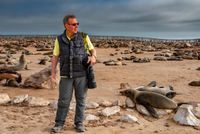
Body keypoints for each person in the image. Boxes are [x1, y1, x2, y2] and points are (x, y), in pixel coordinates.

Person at [51, 14, 97, 133]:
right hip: (66, 75)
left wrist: (93, 57)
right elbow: (55, 57)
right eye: (73, 24)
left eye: (77, 24)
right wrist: (53, 74)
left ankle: (79, 123)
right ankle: (59, 124)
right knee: (63, 101)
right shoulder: (59, 39)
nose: (76, 26)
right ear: (66, 25)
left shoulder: (84, 36)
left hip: (82, 75)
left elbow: (93, 50)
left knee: (81, 100)